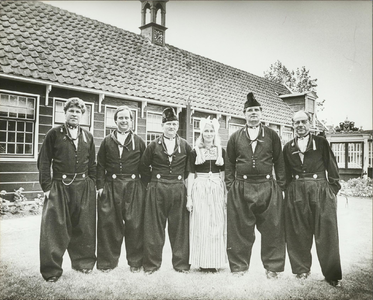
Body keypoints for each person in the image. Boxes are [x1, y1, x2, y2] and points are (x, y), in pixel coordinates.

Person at [225, 92, 286, 278]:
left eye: (256, 110)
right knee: (240, 230)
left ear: (261, 113)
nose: (253, 113)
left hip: (267, 186)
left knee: (273, 229)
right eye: (250, 110)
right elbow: (229, 164)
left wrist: (280, 187)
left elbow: (279, 162)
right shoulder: (235, 137)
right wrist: (231, 186)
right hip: (242, 187)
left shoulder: (272, 135)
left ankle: (272, 268)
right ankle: (239, 267)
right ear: (244, 114)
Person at [37, 98, 96, 282]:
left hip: (83, 187)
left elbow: (92, 164)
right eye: (71, 111)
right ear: (65, 113)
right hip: (59, 187)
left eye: (78, 112)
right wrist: (47, 187)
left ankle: (83, 264)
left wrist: (92, 184)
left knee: (84, 227)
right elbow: (44, 162)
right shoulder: (54, 134)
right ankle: (52, 271)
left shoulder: (88, 136)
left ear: (82, 115)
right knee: (55, 228)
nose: (74, 114)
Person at [283, 110, 342, 287]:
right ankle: (301, 270)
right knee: (297, 232)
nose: (300, 125)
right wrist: (289, 191)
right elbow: (285, 174)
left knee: (327, 233)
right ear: (292, 125)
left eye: (303, 122)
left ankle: (332, 274)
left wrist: (331, 191)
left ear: (310, 123)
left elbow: (333, 171)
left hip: (321, 191)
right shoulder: (288, 147)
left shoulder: (321, 143)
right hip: (296, 192)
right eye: (296, 123)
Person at [141, 107, 192, 274]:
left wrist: (178, 180)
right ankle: (152, 265)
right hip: (157, 188)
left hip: (178, 188)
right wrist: (154, 182)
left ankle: (181, 265)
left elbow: (188, 170)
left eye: (174, 124)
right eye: (169, 124)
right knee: (154, 229)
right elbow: (143, 168)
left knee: (179, 229)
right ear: (162, 126)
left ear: (178, 126)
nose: (172, 127)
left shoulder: (185, 145)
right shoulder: (153, 145)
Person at [96, 106, 147, 273]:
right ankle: (107, 263)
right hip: (112, 186)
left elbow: (145, 167)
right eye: (121, 118)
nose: (124, 121)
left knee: (135, 224)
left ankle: (135, 263)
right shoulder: (106, 141)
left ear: (131, 121)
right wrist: (100, 186)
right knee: (109, 224)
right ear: (115, 121)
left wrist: (144, 188)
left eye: (127, 118)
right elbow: (100, 165)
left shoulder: (139, 141)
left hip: (133, 186)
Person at [186, 117, 227, 272]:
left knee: (216, 224)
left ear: (215, 133)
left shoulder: (221, 151)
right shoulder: (194, 152)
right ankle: (202, 262)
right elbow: (191, 175)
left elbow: (223, 175)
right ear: (201, 133)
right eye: (206, 131)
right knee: (201, 224)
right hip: (200, 188)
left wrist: (225, 195)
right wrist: (189, 198)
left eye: (211, 131)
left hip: (216, 188)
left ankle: (215, 261)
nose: (208, 134)